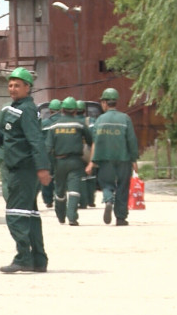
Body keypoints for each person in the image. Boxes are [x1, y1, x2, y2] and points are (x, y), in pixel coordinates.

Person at [0, 67, 52, 273]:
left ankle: (23, 258)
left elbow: (36, 140)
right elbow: (14, 138)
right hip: (19, 168)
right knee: (29, 215)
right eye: (10, 85)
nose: (12, 89)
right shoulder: (15, 109)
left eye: (17, 85)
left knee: (15, 214)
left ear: (27, 87)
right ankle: (38, 260)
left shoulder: (27, 110)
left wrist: (42, 168)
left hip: (23, 170)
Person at [85, 88, 139, 226]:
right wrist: (134, 159)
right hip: (123, 158)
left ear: (104, 103)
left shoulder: (99, 120)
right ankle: (121, 217)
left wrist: (92, 162)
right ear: (116, 102)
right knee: (122, 186)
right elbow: (131, 140)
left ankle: (108, 199)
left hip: (105, 159)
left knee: (107, 183)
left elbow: (95, 142)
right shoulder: (125, 118)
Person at [45, 97, 94, 226]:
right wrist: (91, 161)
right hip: (75, 161)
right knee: (74, 190)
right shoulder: (80, 124)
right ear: (75, 111)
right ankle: (72, 217)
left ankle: (61, 216)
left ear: (62, 110)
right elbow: (91, 141)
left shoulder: (54, 126)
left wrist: (46, 165)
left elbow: (48, 148)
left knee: (59, 190)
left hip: (59, 161)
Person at [40, 99, 62, 208]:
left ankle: (48, 200)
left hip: (47, 154)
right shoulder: (63, 123)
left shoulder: (44, 123)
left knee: (48, 176)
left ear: (50, 110)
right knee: (60, 177)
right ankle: (60, 197)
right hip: (61, 153)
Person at [77, 99, 98, 208]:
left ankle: (83, 201)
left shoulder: (73, 121)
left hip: (78, 151)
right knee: (91, 175)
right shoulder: (92, 121)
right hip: (90, 150)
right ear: (84, 111)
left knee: (81, 177)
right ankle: (91, 200)